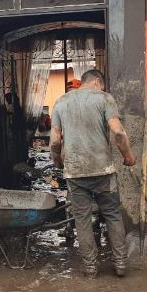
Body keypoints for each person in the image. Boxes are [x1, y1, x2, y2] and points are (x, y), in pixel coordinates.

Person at [50, 69, 136, 278]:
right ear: (97, 82)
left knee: (82, 219)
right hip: (103, 170)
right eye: (102, 86)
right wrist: (128, 156)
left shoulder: (61, 102)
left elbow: (54, 141)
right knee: (112, 214)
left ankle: (90, 267)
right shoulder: (104, 98)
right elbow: (118, 131)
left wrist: (59, 162)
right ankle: (120, 264)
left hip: (75, 173)